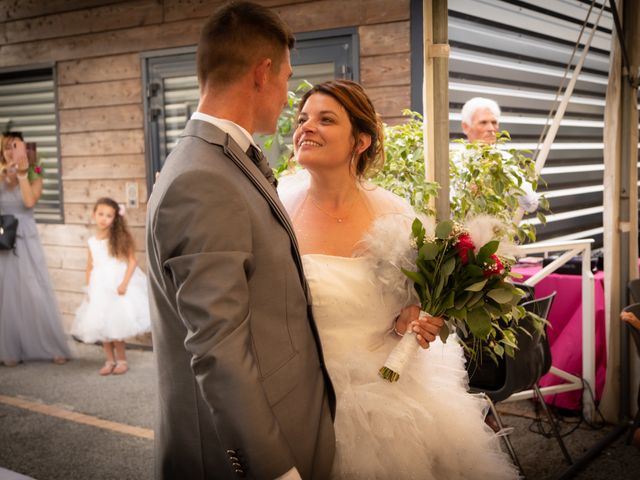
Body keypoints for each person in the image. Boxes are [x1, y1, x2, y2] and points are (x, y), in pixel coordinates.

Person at [279, 79, 519, 479]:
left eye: (325, 120)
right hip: (297, 392)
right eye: (303, 118)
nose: (306, 127)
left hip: (382, 399)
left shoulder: (393, 214)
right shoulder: (278, 206)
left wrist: (414, 318)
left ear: (361, 141)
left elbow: (411, 305)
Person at [146, 3, 335, 479]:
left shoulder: (218, 160)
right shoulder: (202, 179)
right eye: (288, 78)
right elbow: (219, 350)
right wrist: (273, 469)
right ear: (263, 73)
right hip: (251, 455)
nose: (288, 95)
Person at [0, 132, 71, 366]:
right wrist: (5, 172)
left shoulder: (36, 171)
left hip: (26, 236)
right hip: (3, 236)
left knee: (35, 290)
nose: (13, 151)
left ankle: (49, 346)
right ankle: (10, 349)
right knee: (6, 293)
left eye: (17, 146)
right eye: (8, 147)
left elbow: (29, 202)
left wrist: (22, 174)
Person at [71, 197, 150, 376]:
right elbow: (90, 266)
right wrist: (89, 288)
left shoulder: (120, 238)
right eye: (100, 214)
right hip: (99, 287)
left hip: (116, 285)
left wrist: (124, 284)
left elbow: (132, 262)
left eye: (108, 215)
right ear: (94, 214)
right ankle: (109, 360)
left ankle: (121, 360)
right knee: (102, 324)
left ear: (115, 218)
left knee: (116, 324)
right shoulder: (92, 241)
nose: (103, 219)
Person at [458, 96, 540, 213]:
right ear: (466, 127)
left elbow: (531, 204)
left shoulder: (505, 159)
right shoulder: (455, 161)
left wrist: (505, 173)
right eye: (483, 122)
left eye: (494, 122)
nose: (491, 128)